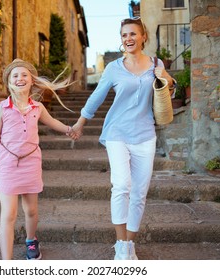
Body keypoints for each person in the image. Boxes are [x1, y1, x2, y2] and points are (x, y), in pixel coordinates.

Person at [72, 17, 175, 260]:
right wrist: (80, 122)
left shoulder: (156, 63)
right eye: (124, 35)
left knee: (140, 191)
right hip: (117, 132)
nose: (128, 38)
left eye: (132, 34)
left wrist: (167, 78)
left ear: (143, 37)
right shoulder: (113, 68)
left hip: (145, 134)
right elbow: (96, 97)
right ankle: (120, 244)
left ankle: (130, 244)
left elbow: (169, 88)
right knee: (121, 186)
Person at [0, 58, 78, 260]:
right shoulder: (1, 109)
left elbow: (53, 123)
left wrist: (69, 129)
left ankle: (31, 240)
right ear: (9, 82)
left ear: (32, 80)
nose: (20, 78)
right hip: (8, 165)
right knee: (8, 214)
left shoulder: (38, 108)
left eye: (24, 74)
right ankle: (6, 263)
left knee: (31, 210)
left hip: (31, 163)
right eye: (15, 75)